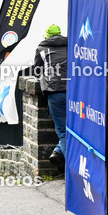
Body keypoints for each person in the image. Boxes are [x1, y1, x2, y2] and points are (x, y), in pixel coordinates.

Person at [33, 23, 68, 171]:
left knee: (63, 132)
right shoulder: (71, 45)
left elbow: (37, 70)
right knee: (76, 130)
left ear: (46, 36)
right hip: (75, 92)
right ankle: (57, 152)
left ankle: (72, 171)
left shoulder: (42, 48)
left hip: (55, 91)